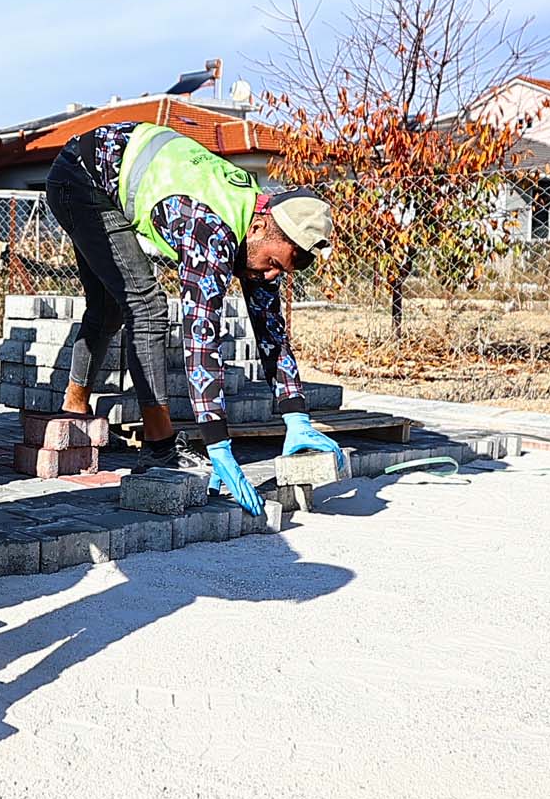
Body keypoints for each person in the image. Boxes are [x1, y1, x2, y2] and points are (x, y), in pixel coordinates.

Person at [43, 121, 340, 514]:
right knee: (145, 306)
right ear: (259, 227)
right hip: (80, 179)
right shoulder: (211, 232)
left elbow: (270, 327)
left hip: (101, 170)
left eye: (280, 272)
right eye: (273, 264)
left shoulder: (260, 230)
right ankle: (159, 448)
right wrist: (217, 443)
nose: (270, 277)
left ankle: (74, 408)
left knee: (111, 303)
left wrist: (296, 414)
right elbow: (201, 338)